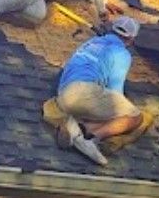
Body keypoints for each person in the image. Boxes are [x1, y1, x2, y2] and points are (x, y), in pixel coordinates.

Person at [43, 16, 146, 166]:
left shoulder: (91, 42)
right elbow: (115, 94)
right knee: (135, 116)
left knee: (98, 110)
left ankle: (75, 129)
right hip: (85, 92)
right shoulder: (121, 53)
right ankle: (90, 138)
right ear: (131, 39)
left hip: (63, 95)